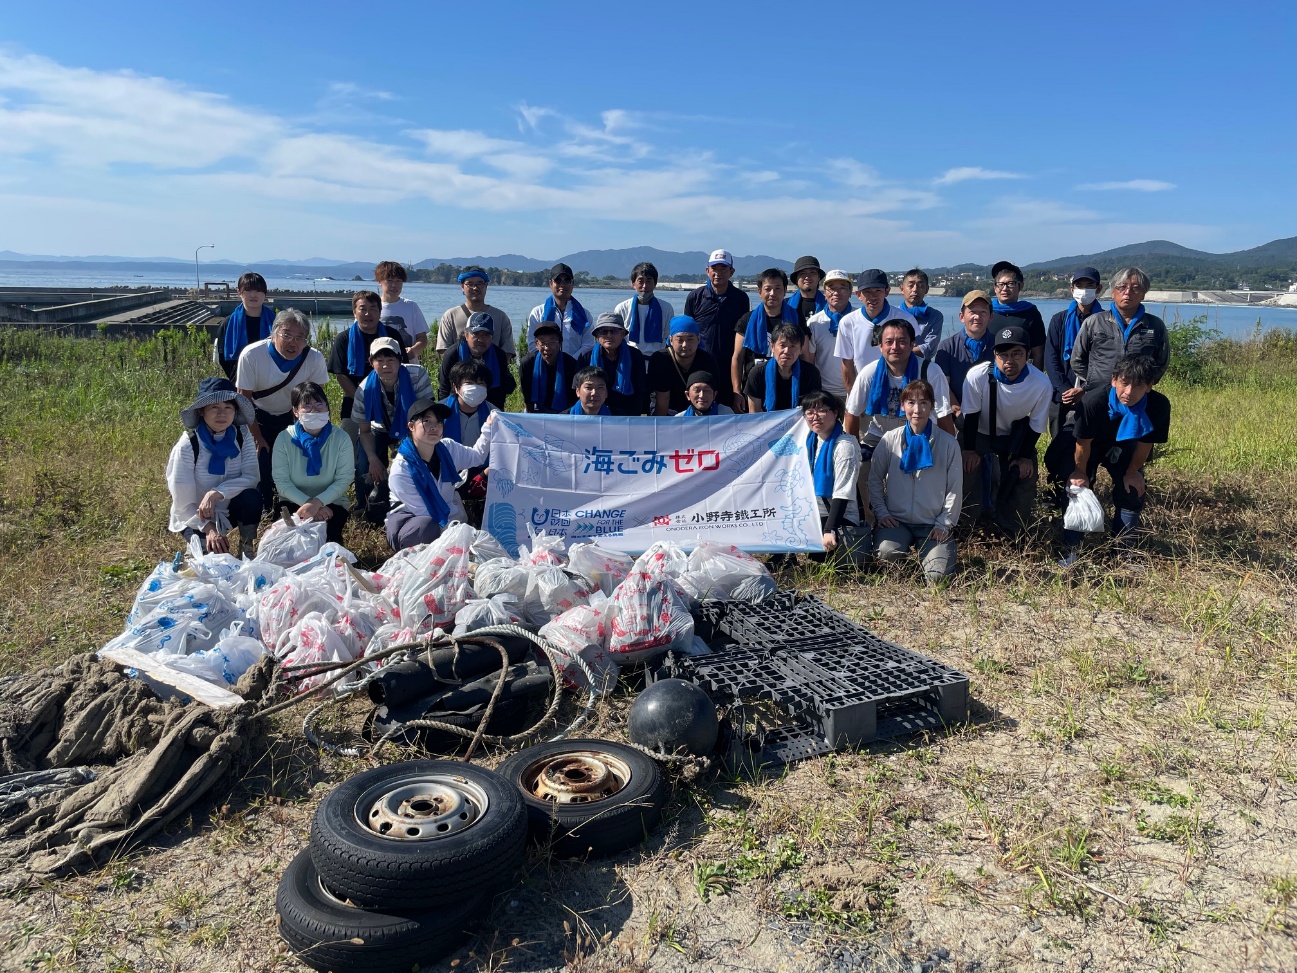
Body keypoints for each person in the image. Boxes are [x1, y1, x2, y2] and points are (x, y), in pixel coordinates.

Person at [1056, 354, 1170, 566]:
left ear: (1149, 386)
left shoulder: (1158, 405)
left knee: (1133, 488)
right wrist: (1080, 473)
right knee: (1075, 486)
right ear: (1114, 380)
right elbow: (1083, 443)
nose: (1128, 392)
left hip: (1125, 442)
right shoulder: (1092, 401)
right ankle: (1072, 549)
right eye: (1124, 383)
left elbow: (1146, 444)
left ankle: (1122, 551)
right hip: (1091, 441)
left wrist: (1133, 472)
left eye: (1137, 386)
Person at [959, 324, 1053, 535]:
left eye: (1017, 354)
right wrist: (969, 450)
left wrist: (1023, 457)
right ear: (994, 355)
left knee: (1023, 474)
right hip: (979, 432)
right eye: (1003, 354)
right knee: (966, 470)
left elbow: (1036, 426)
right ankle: (965, 525)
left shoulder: (1041, 383)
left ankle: (1013, 529)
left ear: (1028, 354)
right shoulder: (977, 375)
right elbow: (971, 417)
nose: (1009, 360)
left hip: (1014, 436)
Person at [235, 308, 330, 514]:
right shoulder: (252, 355)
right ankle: (265, 511)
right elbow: (244, 400)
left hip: (293, 416)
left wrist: (309, 436)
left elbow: (316, 401)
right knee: (262, 462)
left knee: (295, 461)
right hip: (257, 415)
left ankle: (297, 507)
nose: (293, 342)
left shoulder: (314, 359)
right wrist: (258, 438)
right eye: (286, 335)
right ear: (273, 332)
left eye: (300, 337)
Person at [868, 380, 962, 582]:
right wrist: (881, 512)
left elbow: (954, 489)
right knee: (886, 555)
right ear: (902, 406)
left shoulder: (948, 444)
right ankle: (905, 555)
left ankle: (930, 556)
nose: (917, 409)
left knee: (938, 578)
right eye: (911, 402)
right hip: (897, 521)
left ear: (932, 406)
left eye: (923, 403)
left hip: (932, 524)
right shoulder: (889, 440)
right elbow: (874, 480)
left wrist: (944, 524)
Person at [166, 377, 262, 556]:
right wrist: (209, 529)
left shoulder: (242, 436)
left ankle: (247, 546)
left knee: (252, 497)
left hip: (228, 506)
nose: (222, 414)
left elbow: (252, 476)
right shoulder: (188, 446)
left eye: (228, 408)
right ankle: (196, 545)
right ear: (202, 411)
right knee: (210, 562)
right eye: (214, 408)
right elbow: (183, 505)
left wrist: (216, 493)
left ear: (235, 412)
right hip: (194, 515)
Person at [385, 398, 495, 551]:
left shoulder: (448, 448)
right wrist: (457, 535)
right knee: (427, 526)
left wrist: (488, 427)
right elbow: (426, 510)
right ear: (411, 426)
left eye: (438, 422)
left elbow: (477, 457)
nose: (434, 427)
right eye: (427, 421)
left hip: (443, 518)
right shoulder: (402, 468)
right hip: (410, 521)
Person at [352, 336, 434, 522]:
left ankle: (419, 504)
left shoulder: (418, 375)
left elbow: (427, 416)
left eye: (390, 360)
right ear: (371, 362)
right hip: (378, 428)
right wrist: (373, 458)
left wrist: (407, 447)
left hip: (413, 428)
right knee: (364, 463)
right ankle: (363, 508)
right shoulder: (364, 389)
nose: (385, 365)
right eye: (379, 361)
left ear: (400, 360)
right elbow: (364, 431)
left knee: (417, 462)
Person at [271, 382, 353, 545]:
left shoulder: (341, 438)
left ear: (327, 408)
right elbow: (282, 483)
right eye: (307, 405)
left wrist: (318, 503)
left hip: (331, 503)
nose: (314, 410)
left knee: (329, 545)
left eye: (319, 404)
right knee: (286, 547)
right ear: (295, 411)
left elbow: (344, 480)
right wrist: (309, 504)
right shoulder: (284, 438)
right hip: (293, 501)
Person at [1070, 266, 1170, 392]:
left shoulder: (1155, 325)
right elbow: (1077, 359)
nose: (1128, 292)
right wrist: (1093, 381)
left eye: (1135, 288)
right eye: (1122, 287)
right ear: (1112, 293)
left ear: (1143, 294)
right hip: (1098, 393)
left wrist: (1144, 384)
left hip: (1136, 394)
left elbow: (1162, 362)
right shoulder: (1094, 322)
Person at [801, 390, 864, 561]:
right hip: (812, 511)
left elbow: (843, 492)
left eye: (822, 410)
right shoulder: (809, 440)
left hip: (839, 516)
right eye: (809, 412)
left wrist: (830, 530)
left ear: (835, 413)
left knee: (820, 555)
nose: (815, 416)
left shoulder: (845, 446)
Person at [732, 268, 805, 412]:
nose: (772, 293)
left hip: (789, 384)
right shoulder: (747, 320)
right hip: (755, 386)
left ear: (785, 291)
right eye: (768, 289)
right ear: (760, 292)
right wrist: (736, 391)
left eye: (778, 288)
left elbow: (805, 353)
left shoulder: (796, 318)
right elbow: (737, 357)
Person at [834, 269, 918, 394]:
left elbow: (914, 355)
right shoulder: (848, 322)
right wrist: (852, 396)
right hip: (864, 390)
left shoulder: (906, 319)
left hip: (900, 391)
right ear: (858, 295)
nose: (873, 297)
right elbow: (847, 363)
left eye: (878, 291)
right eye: (867, 292)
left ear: (887, 291)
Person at [328, 291, 405, 423]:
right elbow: (341, 375)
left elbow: (403, 367)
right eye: (363, 309)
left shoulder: (392, 335)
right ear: (354, 313)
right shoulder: (343, 339)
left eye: (373, 309)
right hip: (354, 396)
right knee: (350, 434)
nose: (368, 314)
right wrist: (362, 400)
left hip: (392, 396)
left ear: (380, 312)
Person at [1045, 267, 1102, 435]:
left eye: (1089, 285)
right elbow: (1051, 357)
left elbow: (1106, 360)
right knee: (1058, 444)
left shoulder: (1106, 321)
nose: (1084, 290)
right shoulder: (1059, 320)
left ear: (1098, 288)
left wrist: (1084, 389)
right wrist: (1064, 389)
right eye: (1079, 285)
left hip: (1094, 392)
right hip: (1061, 393)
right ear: (1072, 289)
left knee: (1090, 443)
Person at [442, 360, 497, 527]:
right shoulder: (438, 413)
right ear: (456, 387)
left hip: (483, 471)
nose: (476, 387)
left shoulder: (495, 415)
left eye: (481, 383)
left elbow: (504, 452)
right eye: (469, 383)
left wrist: (486, 474)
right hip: (447, 471)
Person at [647, 315, 727, 415]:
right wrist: (662, 427)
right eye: (680, 340)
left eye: (690, 339)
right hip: (668, 407)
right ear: (671, 340)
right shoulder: (661, 360)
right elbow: (663, 398)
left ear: (698, 339)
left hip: (697, 405)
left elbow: (710, 394)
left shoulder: (707, 361)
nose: (685, 345)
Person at [934, 290, 997, 415]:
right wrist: (958, 411)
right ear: (962, 316)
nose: (977, 317)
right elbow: (943, 386)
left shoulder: (1000, 347)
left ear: (990, 317)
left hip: (993, 415)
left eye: (983, 312)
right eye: (972, 312)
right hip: (957, 416)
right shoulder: (946, 348)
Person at [682, 248, 751, 362]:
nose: (718, 273)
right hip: (699, 361)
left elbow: (744, 332)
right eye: (714, 268)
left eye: (723, 269)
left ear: (731, 271)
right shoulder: (695, 297)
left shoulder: (741, 298)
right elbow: (687, 330)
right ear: (707, 270)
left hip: (730, 363)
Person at [436, 310, 515, 407]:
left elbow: (501, 390)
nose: (481, 339)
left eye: (486, 335)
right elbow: (444, 389)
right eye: (476, 334)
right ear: (466, 334)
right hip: (457, 406)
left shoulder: (499, 355)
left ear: (492, 337)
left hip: (490, 405)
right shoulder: (452, 355)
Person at [435, 267, 516, 361]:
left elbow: (507, 351)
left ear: (486, 286)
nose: (475, 288)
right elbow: (444, 350)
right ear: (462, 287)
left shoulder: (500, 317)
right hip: (459, 373)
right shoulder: (450, 316)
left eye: (480, 283)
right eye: (470, 284)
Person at [581, 311, 649, 416]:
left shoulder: (635, 356)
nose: (609, 335)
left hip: (626, 413)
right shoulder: (585, 357)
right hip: (595, 412)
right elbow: (579, 391)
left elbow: (639, 392)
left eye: (614, 331)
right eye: (604, 331)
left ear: (623, 334)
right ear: (597, 335)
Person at [745, 323, 822, 413]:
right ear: (772, 347)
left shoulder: (811, 373)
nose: (787, 351)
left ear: (801, 349)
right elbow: (754, 414)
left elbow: (813, 410)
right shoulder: (757, 373)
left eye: (793, 346)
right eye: (782, 345)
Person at [805, 269, 853, 400]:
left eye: (842, 288)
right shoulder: (814, 323)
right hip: (824, 392)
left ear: (850, 292)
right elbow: (810, 361)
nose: (836, 293)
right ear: (824, 293)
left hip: (856, 391)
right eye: (831, 288)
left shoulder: (859, 319)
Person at [527, 263, 594, 358]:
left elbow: (588, 344)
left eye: (567, 280)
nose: (562, 284)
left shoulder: (584, 315)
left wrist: (570, 362)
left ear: (572, 284)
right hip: (545, 366)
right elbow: (532, 343)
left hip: (575, 367)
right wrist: (548, 362)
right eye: (558, 280)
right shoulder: (537, 313)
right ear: (550, 283)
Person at [989, 261, 1046, 369]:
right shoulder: (987, 311)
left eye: (1010, 284)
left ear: (1020, 286)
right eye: (1000, 285)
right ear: (995, 288)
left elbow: (1038, 352)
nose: (1005, 288)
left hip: (1020, 375)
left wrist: (1035, 379)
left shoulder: (1030, 312)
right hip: (988, 375)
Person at [216, 272, 272, 381]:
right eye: (248, 290)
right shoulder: (227, 323)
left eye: (258, 290)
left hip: (271, 382)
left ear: (265, 293)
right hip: (239, 381)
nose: (253, 295)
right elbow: (223, 357)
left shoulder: (276, 323)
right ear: (239, 292)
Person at [614, 262, 675, 358]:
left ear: (655, 284)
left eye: (649, 281)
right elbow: (617, 337)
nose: (644, 286)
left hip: (657, 359)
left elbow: (668, 336)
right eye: (640, 281)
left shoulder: (666, 308)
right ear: (633, 284)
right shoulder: (622, 308)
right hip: (630, 359)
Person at [519, 321, 579, 414]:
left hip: (564, 412)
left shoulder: (571, 364)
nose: (547, 347)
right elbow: (527, 396)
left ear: (560, 343)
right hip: (536, 409)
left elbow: (573, 399)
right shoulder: (527, 363)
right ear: (536, 344)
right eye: (542, 342)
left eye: (552, 342)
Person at [374, 260, 428, 361]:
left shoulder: (411, 307)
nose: (394, 285)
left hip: (408, 367)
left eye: (398, 281)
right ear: (379, 281)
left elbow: (422, 338)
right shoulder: (372, 307)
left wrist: (414, 350)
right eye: (389, 280)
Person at [898, 268, 943, 359]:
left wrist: (898, 351)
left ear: (926, 289)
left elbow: (929, 348)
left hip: (922, 367)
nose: (915, 290)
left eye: (921, 286)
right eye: (911, 285)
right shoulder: (894, 314)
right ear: (902, 289)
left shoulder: (935, 316)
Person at [787, 255, 826, 330]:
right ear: (796, 279)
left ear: (818, 277)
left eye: (812, 273)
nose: (808, 277)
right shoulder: (785, 306)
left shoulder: (830, 306)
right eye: (802, 273)